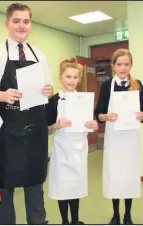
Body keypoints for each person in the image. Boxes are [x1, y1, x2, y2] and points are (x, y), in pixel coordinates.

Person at [0, 3, 53, 225]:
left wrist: (49, 91)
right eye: (16, 21)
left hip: (34, 131)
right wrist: (1, 95)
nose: (22, 26)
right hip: (6, 131)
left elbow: (47, 90)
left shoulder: (39, 54)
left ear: (31, 24)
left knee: (35, 184)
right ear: (7, 23)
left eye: (26, 21)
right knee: (4, 185)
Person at [94, 49, 143, 225]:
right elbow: (98, 113)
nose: (123, 68)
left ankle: (128, 215)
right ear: (113, 66)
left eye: (126, 64)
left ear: (131, 65)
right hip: (114, 137)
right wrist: (105, 116)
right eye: (119, 64)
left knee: (129, 175)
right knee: (115, 175)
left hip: (131, 138)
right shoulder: (107, 85)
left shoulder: (137, 84)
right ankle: (116, 214)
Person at [45, 58, 98, 225]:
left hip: (79, 148)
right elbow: (46, 130)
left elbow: (90, 123)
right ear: (60, 77)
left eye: (75, 77)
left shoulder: (84, 99)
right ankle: (65, 221)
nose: (72, 81)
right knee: (63, 186)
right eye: (68, 77)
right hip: (62, 149)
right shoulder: (53, 100)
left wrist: (94, 125)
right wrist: (57, 125)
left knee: (75, 185)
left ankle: (75, 220)